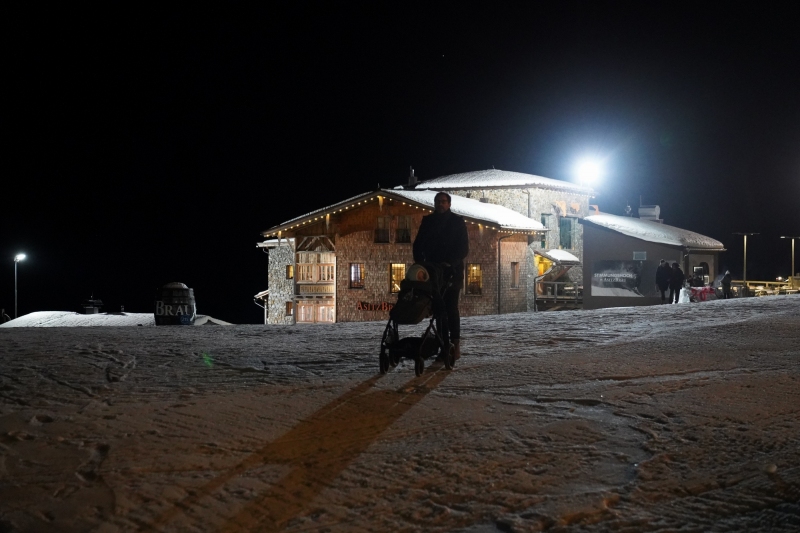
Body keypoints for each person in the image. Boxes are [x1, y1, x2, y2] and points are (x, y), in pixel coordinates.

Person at [413, 192, 469, 359]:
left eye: (443, 202)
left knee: (451, 308)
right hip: (433, 272)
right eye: (438, 202)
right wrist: (420, 262)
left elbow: (463, 249)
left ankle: (455, 344)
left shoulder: (457, 222)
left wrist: (451, 263)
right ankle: (443, 344)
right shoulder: (428, 221)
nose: (440, 204)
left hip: (452, 273)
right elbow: (418, 244)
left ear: (449, 204)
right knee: (439, 310)